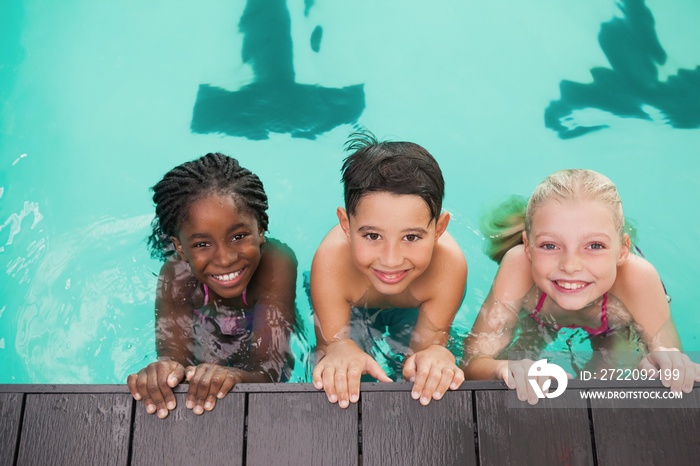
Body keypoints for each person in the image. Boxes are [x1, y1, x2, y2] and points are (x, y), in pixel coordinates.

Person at [463, 168, 700, 404]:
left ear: (623, 250)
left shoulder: (637, 278)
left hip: (613, 328)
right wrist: (502, 368)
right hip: (539, 317)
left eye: (595, 246)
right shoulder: (518, 266)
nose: (570, 265)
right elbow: (473, 361)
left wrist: (663, 363)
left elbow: (668, 357)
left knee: (606, 392)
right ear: (527, 245)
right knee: (519, 376)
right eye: (549, 245)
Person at [127, 152, 297, 418]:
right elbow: (175, 362)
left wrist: (232, 376)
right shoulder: (176, 276)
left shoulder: (276, 262)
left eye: (239, 236)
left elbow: (273, 370)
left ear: (261, 229)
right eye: (202, 244)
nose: (226, 258)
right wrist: (163, 373)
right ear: (181, 248)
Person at [311, 131, 467, 408]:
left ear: (439, 229)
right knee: (341, 370)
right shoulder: (331, 262)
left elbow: (423, 355)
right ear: (346, 226)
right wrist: (338, 347)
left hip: (411, 308)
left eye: (411, 237)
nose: (391, 260)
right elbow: (329, 346)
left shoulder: (448, 267)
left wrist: (434, 355)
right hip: (355, 304)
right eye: (372, 236)